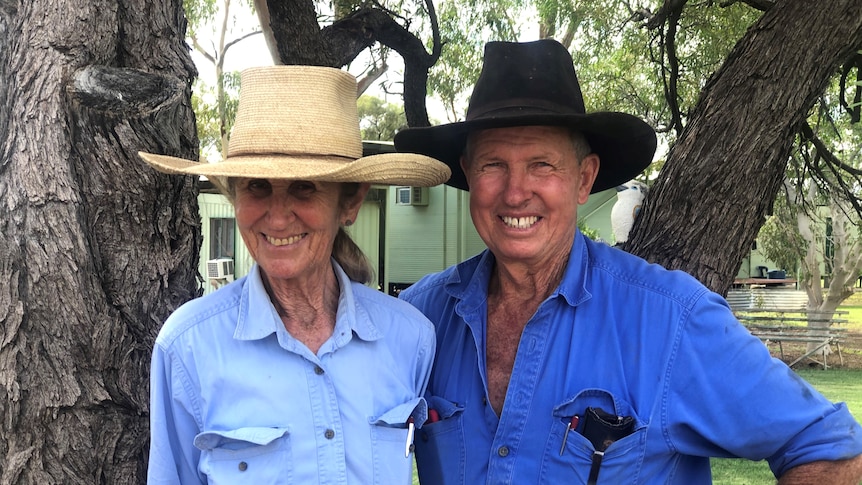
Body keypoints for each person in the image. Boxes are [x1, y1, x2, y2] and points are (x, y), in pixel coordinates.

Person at [393, 39, 862, 484]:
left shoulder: (672, 321)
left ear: (584, 179)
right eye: (493, 165)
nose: (516, 192)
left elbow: (830, 445)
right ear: (469, 175)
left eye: (542, 165)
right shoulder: (419, 320)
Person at [139, 66, 450, 484]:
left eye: (304, 186)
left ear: (350, 203)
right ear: (235, 199)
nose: (279, 215)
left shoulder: (409, 338)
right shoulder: (188, 348)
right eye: (257, 186)